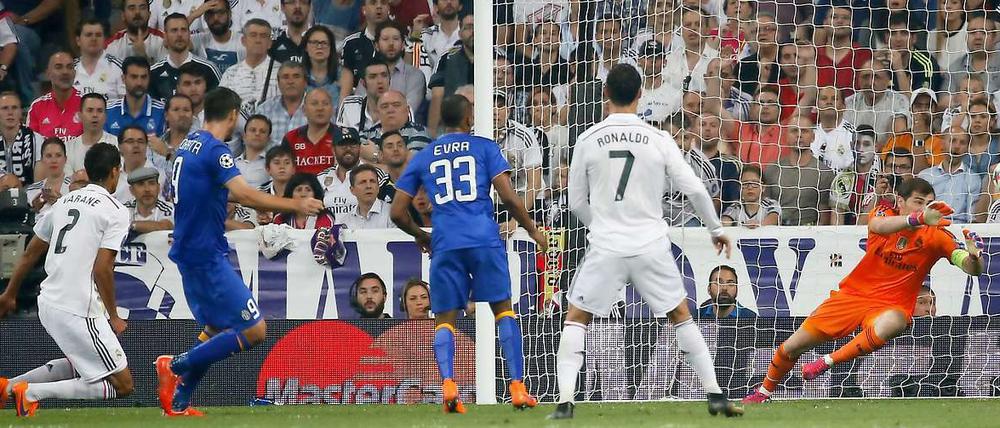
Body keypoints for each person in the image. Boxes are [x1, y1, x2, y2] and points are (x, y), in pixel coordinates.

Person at [547, 64, 741, 419]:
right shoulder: (659, 139)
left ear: (606, 94)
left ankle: (564, 401)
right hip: (650, 244)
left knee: (576, 319)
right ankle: (714, 394)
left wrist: (601, 226)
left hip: (607, 245)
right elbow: (695, 189)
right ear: (641, 96)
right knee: (681, 316)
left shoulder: (588, 139)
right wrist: (716, 229)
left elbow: (575, 202)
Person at [154, 87, 323, 416]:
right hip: (205, 253)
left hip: (192, 250)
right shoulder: (215, 151)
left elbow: (206, 193)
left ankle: (179, 402)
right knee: (254, 330)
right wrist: (296, 203)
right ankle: (174, 366)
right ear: (233, 115)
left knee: (216, 327)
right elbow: (244, 194)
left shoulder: (188, 146)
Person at [743, 178, 984, 403]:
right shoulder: (883, 213)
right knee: (792, 346)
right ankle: (763, 392)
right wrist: (917, 218)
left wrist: (974, 256)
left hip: (891, 305)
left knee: (896, 322)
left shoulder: (937, 235)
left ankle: (827, 362)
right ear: (900, 202)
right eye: (918, 203)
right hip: (853, 296)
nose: (924, 209)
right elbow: (879, 225)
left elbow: (970, 268)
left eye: (928, 204)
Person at [390, 94, 545, 413]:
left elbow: (396, 212)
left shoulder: (423, 156)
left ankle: (449, 387)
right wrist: (532, 229)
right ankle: (517, 388)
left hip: (445, 241)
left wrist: (422, 235)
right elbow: (511, 199)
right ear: (467, 119)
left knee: (445, 319)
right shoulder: (485, 147)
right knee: (502, 309)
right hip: (483, 237)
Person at [0, 143, 134, 417]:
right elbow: (103, 268)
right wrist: (114, 315)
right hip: (78, 306)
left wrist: (9, 294)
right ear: (114, 172)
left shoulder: (64, 202)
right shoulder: (115, 210)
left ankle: (8, 387)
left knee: (81, 364)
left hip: (49, 302)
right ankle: (32, 393)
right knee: (122, 385)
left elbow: (29, 254)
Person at [149, 13, 222, 101]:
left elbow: (220, 106)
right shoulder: (153, 73)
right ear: (165, 36)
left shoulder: (209, 69)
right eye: (174, 30)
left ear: (189, 34)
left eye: (183, 30)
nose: (179, 34)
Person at [218, 19, 280, 115]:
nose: (258, 40)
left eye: (263, 36)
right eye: (253, 35)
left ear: (270, 43)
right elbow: (220, 107)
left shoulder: (281, 72)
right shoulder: (230, 73)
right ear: (243, 41)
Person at [338, 0, 391, 102]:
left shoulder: (399, 42)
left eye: (383, 3)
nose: (379, 6)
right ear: (364, 10)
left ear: (389, 9)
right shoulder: (351, 43)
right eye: (373, 3)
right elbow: (345, 89)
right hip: (358, 104)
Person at [280, 88, 339, 175]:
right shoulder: (291, 138)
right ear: (304, 110)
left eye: (325, 104)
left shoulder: (342, 136)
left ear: (332, 109)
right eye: (314, 104)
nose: (320, 108)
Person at [28, 51, 83, 141]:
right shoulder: (37, 107)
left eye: (69, 67)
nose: (65, 72)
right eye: (59, 67)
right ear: (48, 74)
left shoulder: (86, 103)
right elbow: (32, 145)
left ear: (74, 73)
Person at [106, 56, 165, 136]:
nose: (139, 83)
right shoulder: (108, 112)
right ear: (123, 78)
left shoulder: (163, 112)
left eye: (143, 77)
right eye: (134, 77)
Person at [254, 61, 308, 148]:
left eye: (296, 76)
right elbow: (254, 145)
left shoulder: (319, 109)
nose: (290, 81)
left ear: (305, 82)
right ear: (278, 83)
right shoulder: (264, 110)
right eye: (285, 77)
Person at [73, 18, 125, 100]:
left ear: (104, 39)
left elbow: (126, 105)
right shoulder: (70, 69)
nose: (94, 39)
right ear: (78, 40)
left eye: (98, 35)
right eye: (88, 35)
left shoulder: (119, 68)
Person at [66, 93, 116, 174]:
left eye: (99, 111)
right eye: (90, 110)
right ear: (80, 115)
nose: (95, 115)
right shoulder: (68, 148)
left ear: (106, 116)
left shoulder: (116, 145)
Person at [0, 91, 43, 186]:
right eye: (5, 108)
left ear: (20, 112)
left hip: (28, 198)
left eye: (14, 108)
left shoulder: (36, 139)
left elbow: (40, 183)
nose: (10, 112)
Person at [193, 0, 245, 75]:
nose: (216, 18)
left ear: (229, 14)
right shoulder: (199, 40)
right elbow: (171, 41)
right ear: (205, 17)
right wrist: (194, 15)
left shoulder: (244, 42)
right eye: (210, 13)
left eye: (221, 13)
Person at [25, 138, 72, 219]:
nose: (53, 160)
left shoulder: (74, 188)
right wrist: (33, 209)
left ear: (65, 159)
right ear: (42, 160)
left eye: (58, 155)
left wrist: (62, 203)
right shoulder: (31, 191)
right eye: (49, 156)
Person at [272, 172, 337, 230]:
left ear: (315, 194)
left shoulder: (324, 217)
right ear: (291, 194)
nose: (303, 194)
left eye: (308, 190)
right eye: (299, 190)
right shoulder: (280, 218)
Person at [301, 25, 341, 110]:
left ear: (331, 48)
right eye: (314, 42)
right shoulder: (298, 76)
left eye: (324, 43)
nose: (319, 46)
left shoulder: (343, 75)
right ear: (306, 47)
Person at [123, 167, 174, 234]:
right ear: (132, 190)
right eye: (141, 184)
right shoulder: (124, 209)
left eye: (151, 183)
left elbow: (165, 226)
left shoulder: (168, 208)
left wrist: (131, 225)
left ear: (158, 188)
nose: (147, 189)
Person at [343, 164, 393, 230]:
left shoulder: (392, 215)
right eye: (363, 182)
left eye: (372, 181)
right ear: (352, 190)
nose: (368, 186)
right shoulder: (346, 221)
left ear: (378, 187)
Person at [236, 114, 272, 187]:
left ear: (269, 139)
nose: (257, 133)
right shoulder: (232, 164)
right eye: (253, 130)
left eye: (262, 131)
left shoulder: (272, 165)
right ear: (244, 136)